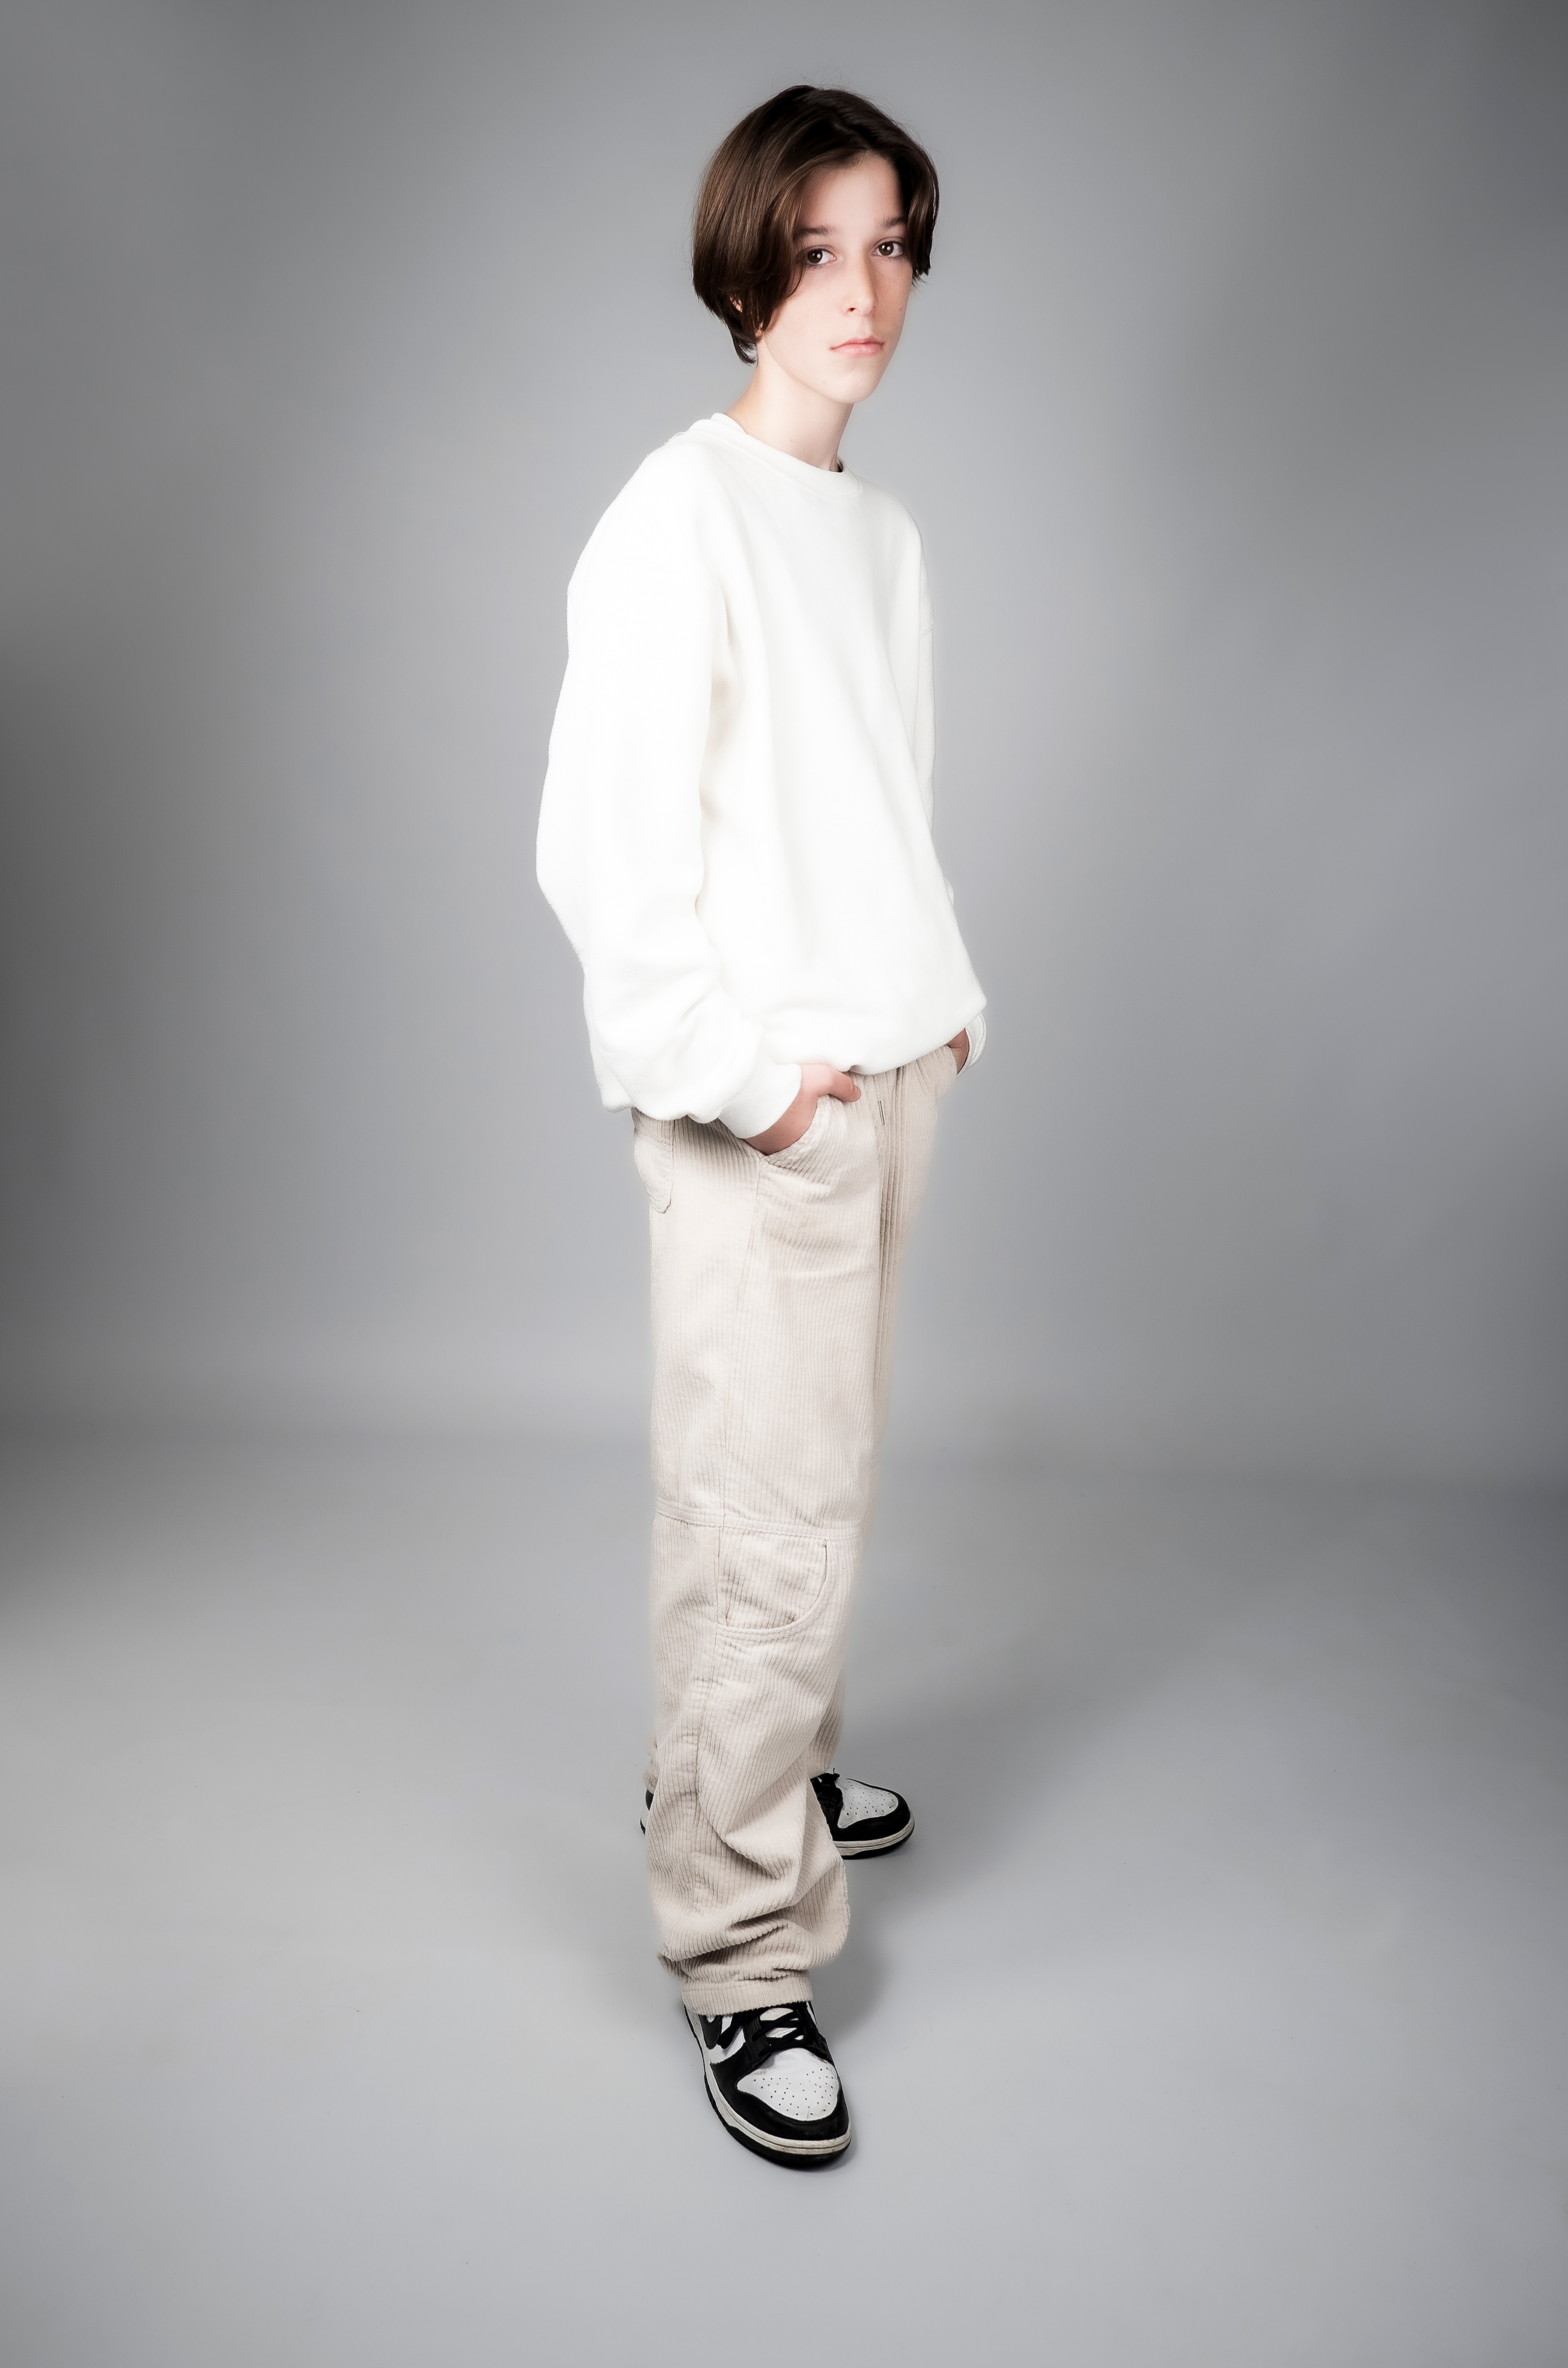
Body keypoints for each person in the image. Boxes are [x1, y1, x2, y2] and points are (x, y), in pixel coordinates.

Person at [537, 83, 986, 2167]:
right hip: (768, 1106)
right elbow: (604, 857)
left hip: (889, 1072)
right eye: (818, 251)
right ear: (747, 271)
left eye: (890, 246)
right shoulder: (677, 515)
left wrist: (944, 996)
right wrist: (753, 1085)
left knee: (820, 1482)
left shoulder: (879, 539)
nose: (862, 290)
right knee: (760, 1515)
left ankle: (761, 1771)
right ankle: (738, 1949)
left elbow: (879, 802)